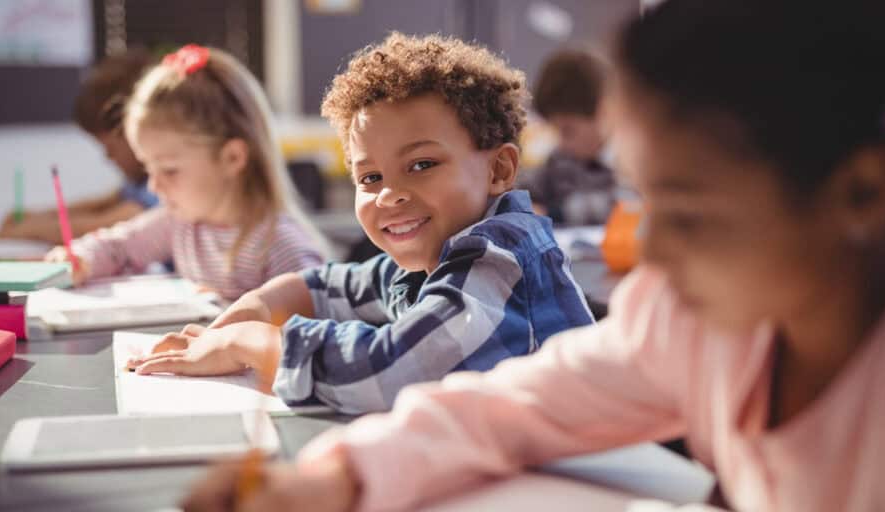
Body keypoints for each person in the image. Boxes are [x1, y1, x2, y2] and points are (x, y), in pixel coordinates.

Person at [180, 1, 885, 510]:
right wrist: (338, 476)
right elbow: (511, 408)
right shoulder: (690, 324)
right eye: (644, 197)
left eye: (691, 212)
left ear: (860, 195)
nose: (652, 250)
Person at [125, 33, 595, 414]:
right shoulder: (429, 255)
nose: (388, 194)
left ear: (498, 170)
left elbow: (392, 373)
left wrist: (252, 342)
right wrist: (255, 307)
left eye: (421, 164)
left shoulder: (499, 260)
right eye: (369, 177)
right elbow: (331, 286)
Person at [46, 45, 327, 301]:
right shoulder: (181, 223)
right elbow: (118, 247)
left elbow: (315, 332)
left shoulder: (280, 246)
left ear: (232, 158)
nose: (154, 186)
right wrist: (81, 259)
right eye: (148, 168)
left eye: (169, 170)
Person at [0, 49, 159, 244]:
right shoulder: (138, 181)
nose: (107, 157)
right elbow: (103, 204)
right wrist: (40, 216)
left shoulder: (163, 178)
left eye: (110, 148)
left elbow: (112, 223)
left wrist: (30, 229)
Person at [522, 47, 616, 225]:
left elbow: (619, 207)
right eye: (556, 131)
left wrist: (552, 212)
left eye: (568, 131)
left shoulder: (628, 163)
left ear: (604, 114)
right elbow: (528, 190)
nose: (562, 143)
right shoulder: (561, 159)